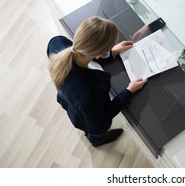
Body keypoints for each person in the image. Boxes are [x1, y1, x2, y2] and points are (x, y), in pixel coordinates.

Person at [47, 16, 148, 147]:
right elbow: (99, 125)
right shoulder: (88, 94)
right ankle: (96, 141)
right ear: (99, 53)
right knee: (96, 133)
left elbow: (85, 55)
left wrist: (112, 52)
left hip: (69, 100)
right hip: (88, 120)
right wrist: (128, 91)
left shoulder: (57, 42)